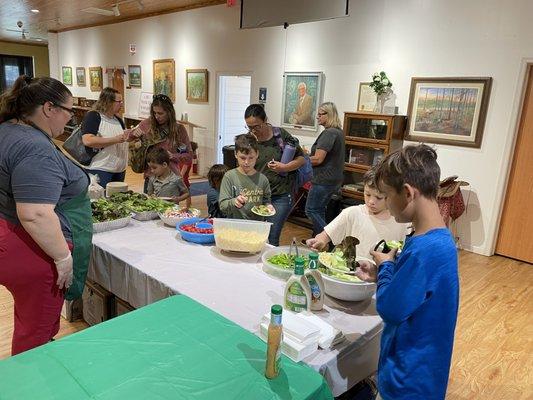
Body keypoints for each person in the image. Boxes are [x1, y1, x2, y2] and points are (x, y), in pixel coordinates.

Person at [357, 144, 459, 400]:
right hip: (427, 376)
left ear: (407, 193)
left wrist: (386, 266)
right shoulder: (441, 240)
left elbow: (391, 309)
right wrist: (385, 271)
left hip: (407, 382)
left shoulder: (425, 251)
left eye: (388, 196)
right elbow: (415, 291)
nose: (387, 205)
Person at [0, 76, 92, 355]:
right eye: (69, 111)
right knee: (36, 335)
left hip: (9, 235)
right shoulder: (34, 146)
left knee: (29, 320)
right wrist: (63, 257)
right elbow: (35, 214)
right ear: (49, 108)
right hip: (30, 247)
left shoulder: (8, 129)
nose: (71, 119)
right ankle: (31, 386)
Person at [306, 169, 409, 258]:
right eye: (367, 194)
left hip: (384, 277)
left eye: (378, 197)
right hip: (352, 275)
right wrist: (320, 241)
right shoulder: (353, 213)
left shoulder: (402, 221)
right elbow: (325, 235)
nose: (371, 201)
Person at [244, 104, 305, 245]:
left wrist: (284, 167)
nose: (253, 130)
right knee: (255, 234)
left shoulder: (280, 135)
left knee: (272, 236)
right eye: (249, 127)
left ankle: (267, 265)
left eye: (257, 126)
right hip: (256, 194)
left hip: (281, 195)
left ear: (265, 120)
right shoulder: (249, 140)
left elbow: (301, 159)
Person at [128, 94, 192, 207]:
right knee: (149, 208)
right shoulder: (147, 124)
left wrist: (173, 156)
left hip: (171, 179)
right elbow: (127, 137)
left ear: (169, 112)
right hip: (151, 176)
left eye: (160, 113)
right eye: (154, 113)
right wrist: (133, 134)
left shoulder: (178, 130)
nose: (157, 116)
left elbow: (188, 155)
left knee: (170, 211)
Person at [305, 102, 345, 236]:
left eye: (320, 114)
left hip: (323, 180)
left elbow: (318, 159)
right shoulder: (338, 132)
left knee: (311, 210)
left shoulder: (329, 133)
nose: (318, 117)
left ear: (329, 115)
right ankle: (319, 242)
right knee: (319, 210)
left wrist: (301, 160)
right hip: (334, 180)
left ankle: (331, 238)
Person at [81, 87, 128, 188]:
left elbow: (123, 140)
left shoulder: (118, 119)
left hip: (119, 170)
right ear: (108, 102)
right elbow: (88, 140)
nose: (121, 104)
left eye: (122, 101)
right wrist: (115, 139)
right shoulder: (94, 116)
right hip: (100, 168)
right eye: (119, 101)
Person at [219, 134, 274, 220]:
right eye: (243, 158)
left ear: (257, 154)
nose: (246, 162)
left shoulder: (263, 179)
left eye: (251, 158)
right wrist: (234, 201)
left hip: (257, 226)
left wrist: (269, 206)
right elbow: (223, 205)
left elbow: (266, 201)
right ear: (235, 154)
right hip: (236, 225)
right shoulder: (229, 177)